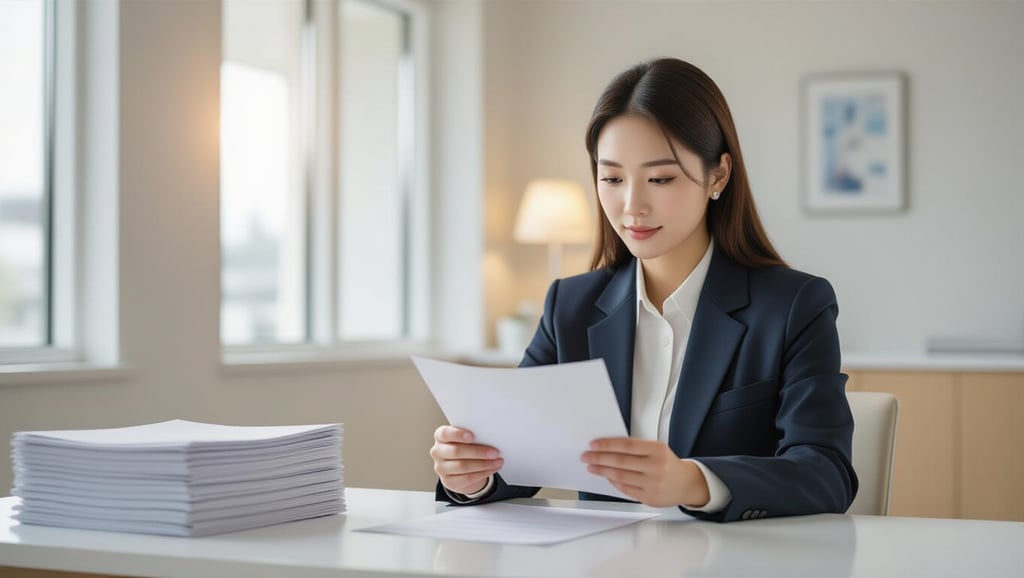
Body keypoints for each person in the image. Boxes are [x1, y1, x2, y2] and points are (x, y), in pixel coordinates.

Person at [430, 58, 857, 522]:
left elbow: (825, 472)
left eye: (660, 178)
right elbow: (519, 456)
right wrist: (474, 475)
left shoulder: (794, 306)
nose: (632, 205)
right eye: (612, 178)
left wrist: (693, 481)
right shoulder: (569, 307)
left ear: (718, 175)